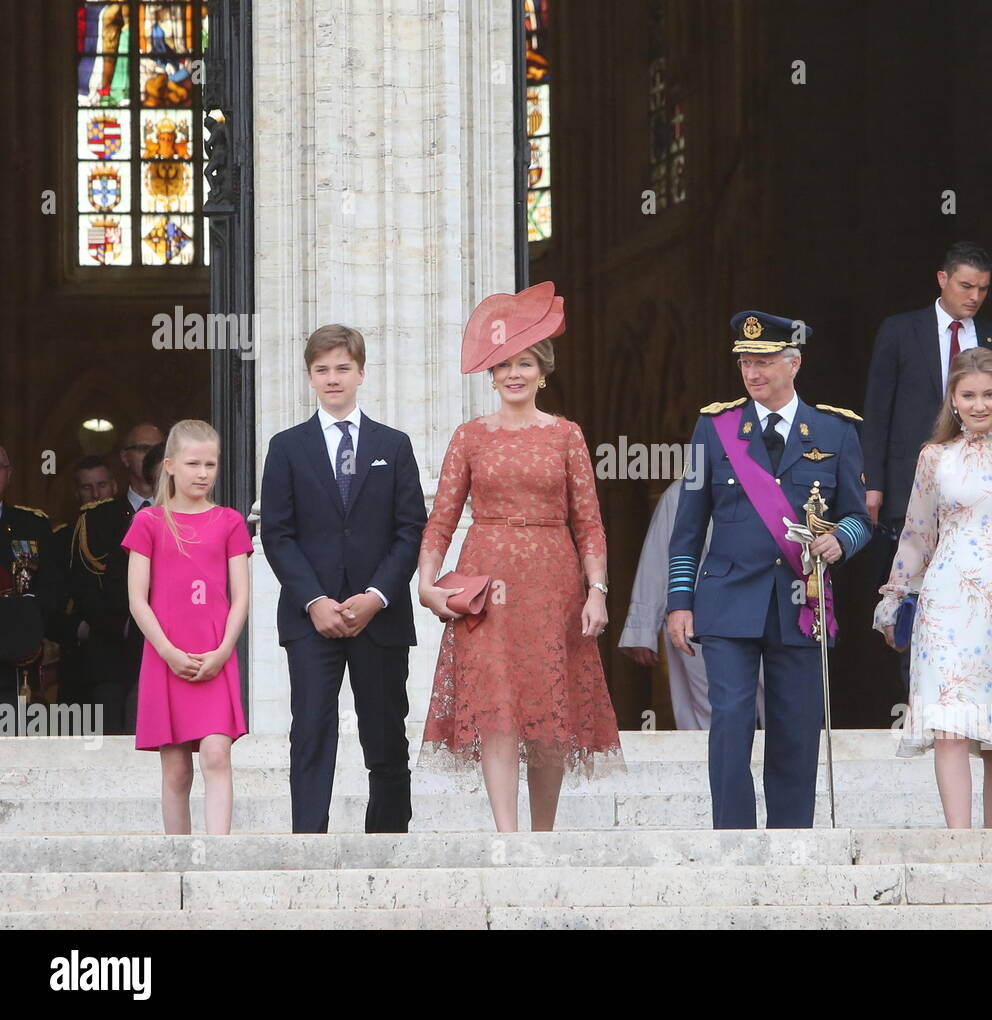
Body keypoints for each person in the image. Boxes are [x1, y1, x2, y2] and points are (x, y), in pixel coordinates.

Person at [419, 281, 623, 833]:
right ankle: (508, 838)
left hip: (554, 584)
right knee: (499, 709)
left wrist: (597, 590)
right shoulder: (470, 436)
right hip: (488, 583)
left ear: (543, 370)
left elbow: (589, 522)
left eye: (526, 362)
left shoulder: (566, 435)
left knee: (549, 712)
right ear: (490, 373)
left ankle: (543, 835)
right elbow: (440, 518)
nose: (514, 373)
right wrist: (425, 582)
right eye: (504, 363)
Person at [667, 311, 871, 829]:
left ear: (793, 362)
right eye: (744, 363)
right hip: (727, 598)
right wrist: (679, 602)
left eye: (763, 361)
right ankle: (732, 838)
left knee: (796, 726)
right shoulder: (714, 429)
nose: (752, 373)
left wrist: (839, 540)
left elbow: (860, 518)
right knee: (731, 720)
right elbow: (688, 526)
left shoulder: (834, 429)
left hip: (799, 601)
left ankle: (791, 840)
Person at [873, 348, 992, 829]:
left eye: (989, 394)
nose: (979, 405)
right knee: (950, 726)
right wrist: (896, 597)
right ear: (952, 400)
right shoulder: (934, 457)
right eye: (968, 395)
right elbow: (917, 534)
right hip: (946, 601)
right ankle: (959, 842)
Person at [260, 324, 426, 834]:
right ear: (310, 376)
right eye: (322, 369)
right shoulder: (286, 447)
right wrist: (314, 600)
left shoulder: (392, 445)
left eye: (342, 368)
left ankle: (388, 840)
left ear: (361, 373)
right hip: (312, 619)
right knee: (310, 730)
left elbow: (410, 528)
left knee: (385, 734)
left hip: (380, 617)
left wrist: (376, 596)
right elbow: (277, 534)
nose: (333, 378)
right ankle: (308, 840)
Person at [122, 420, 252, 835]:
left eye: (210, 464)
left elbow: (241, 597)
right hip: (167, 657)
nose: (202, 473)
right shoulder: (149, 523)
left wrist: (223, 650)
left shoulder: (230, 521)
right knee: (176, 769)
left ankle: (218, 858)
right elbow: (137, 599)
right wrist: (167, 652)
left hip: (214, 655)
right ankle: (179, 859)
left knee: (217, 753)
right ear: (170, 465)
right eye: (193, 463)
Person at [860, 242, 992, 532]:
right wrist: (874, 483)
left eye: (983, 289)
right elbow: (878, 411)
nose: (975, 297)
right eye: (966, 286)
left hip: (980, 482)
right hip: (910, 477)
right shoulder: (899, 332)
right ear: (942, 279)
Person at [618, 477, 766, 729]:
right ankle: (711, 768)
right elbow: (658, 559)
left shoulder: (775, 487)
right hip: (699, 616)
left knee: (782, 704)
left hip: (767, 611)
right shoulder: (683, 492)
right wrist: (642, 629)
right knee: (709, 711)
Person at [69, 439, 165, 734]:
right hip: (114, 650)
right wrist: (123, 626)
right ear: (125, 457)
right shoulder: (100, 517)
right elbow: (88, 588)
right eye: (141, 446)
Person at [0, 444, 58, 714]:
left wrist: (31, 619)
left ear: (9, 474)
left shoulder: (30, 524)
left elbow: (51, 585)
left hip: (20, 655)